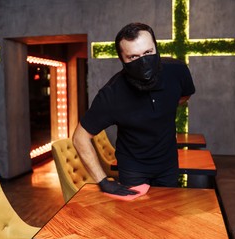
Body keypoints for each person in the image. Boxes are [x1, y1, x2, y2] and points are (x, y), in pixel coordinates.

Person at [73, 22, 195, 196]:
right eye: (133, 57)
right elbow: (80, 138)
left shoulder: (178, 71)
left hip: (168, 162)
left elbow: (184, 96)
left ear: (156, 48)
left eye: (148, 52)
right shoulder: (111, 94)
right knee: (137, 219)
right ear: (122, 60)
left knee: (168, 214)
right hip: (133, 168)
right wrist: (103, 181)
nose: (144, 61)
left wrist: (160, 109)